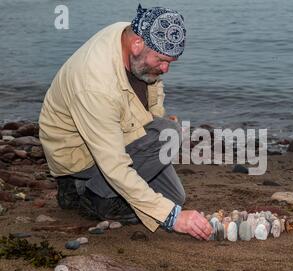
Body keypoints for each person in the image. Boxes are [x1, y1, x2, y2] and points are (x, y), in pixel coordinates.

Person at [38, 5, 212, 240]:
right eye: (161, 60)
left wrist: (156, 122)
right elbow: (114, 165)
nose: (165, 69)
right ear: (137, 44)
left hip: (120, 129)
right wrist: (172, 218)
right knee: (168, 142)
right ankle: (85, 193)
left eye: (171, 62)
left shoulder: (131, 36)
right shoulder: (95, 84)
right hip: (79, 155)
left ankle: (104, 190)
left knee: (174, 198)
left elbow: (153, 92)